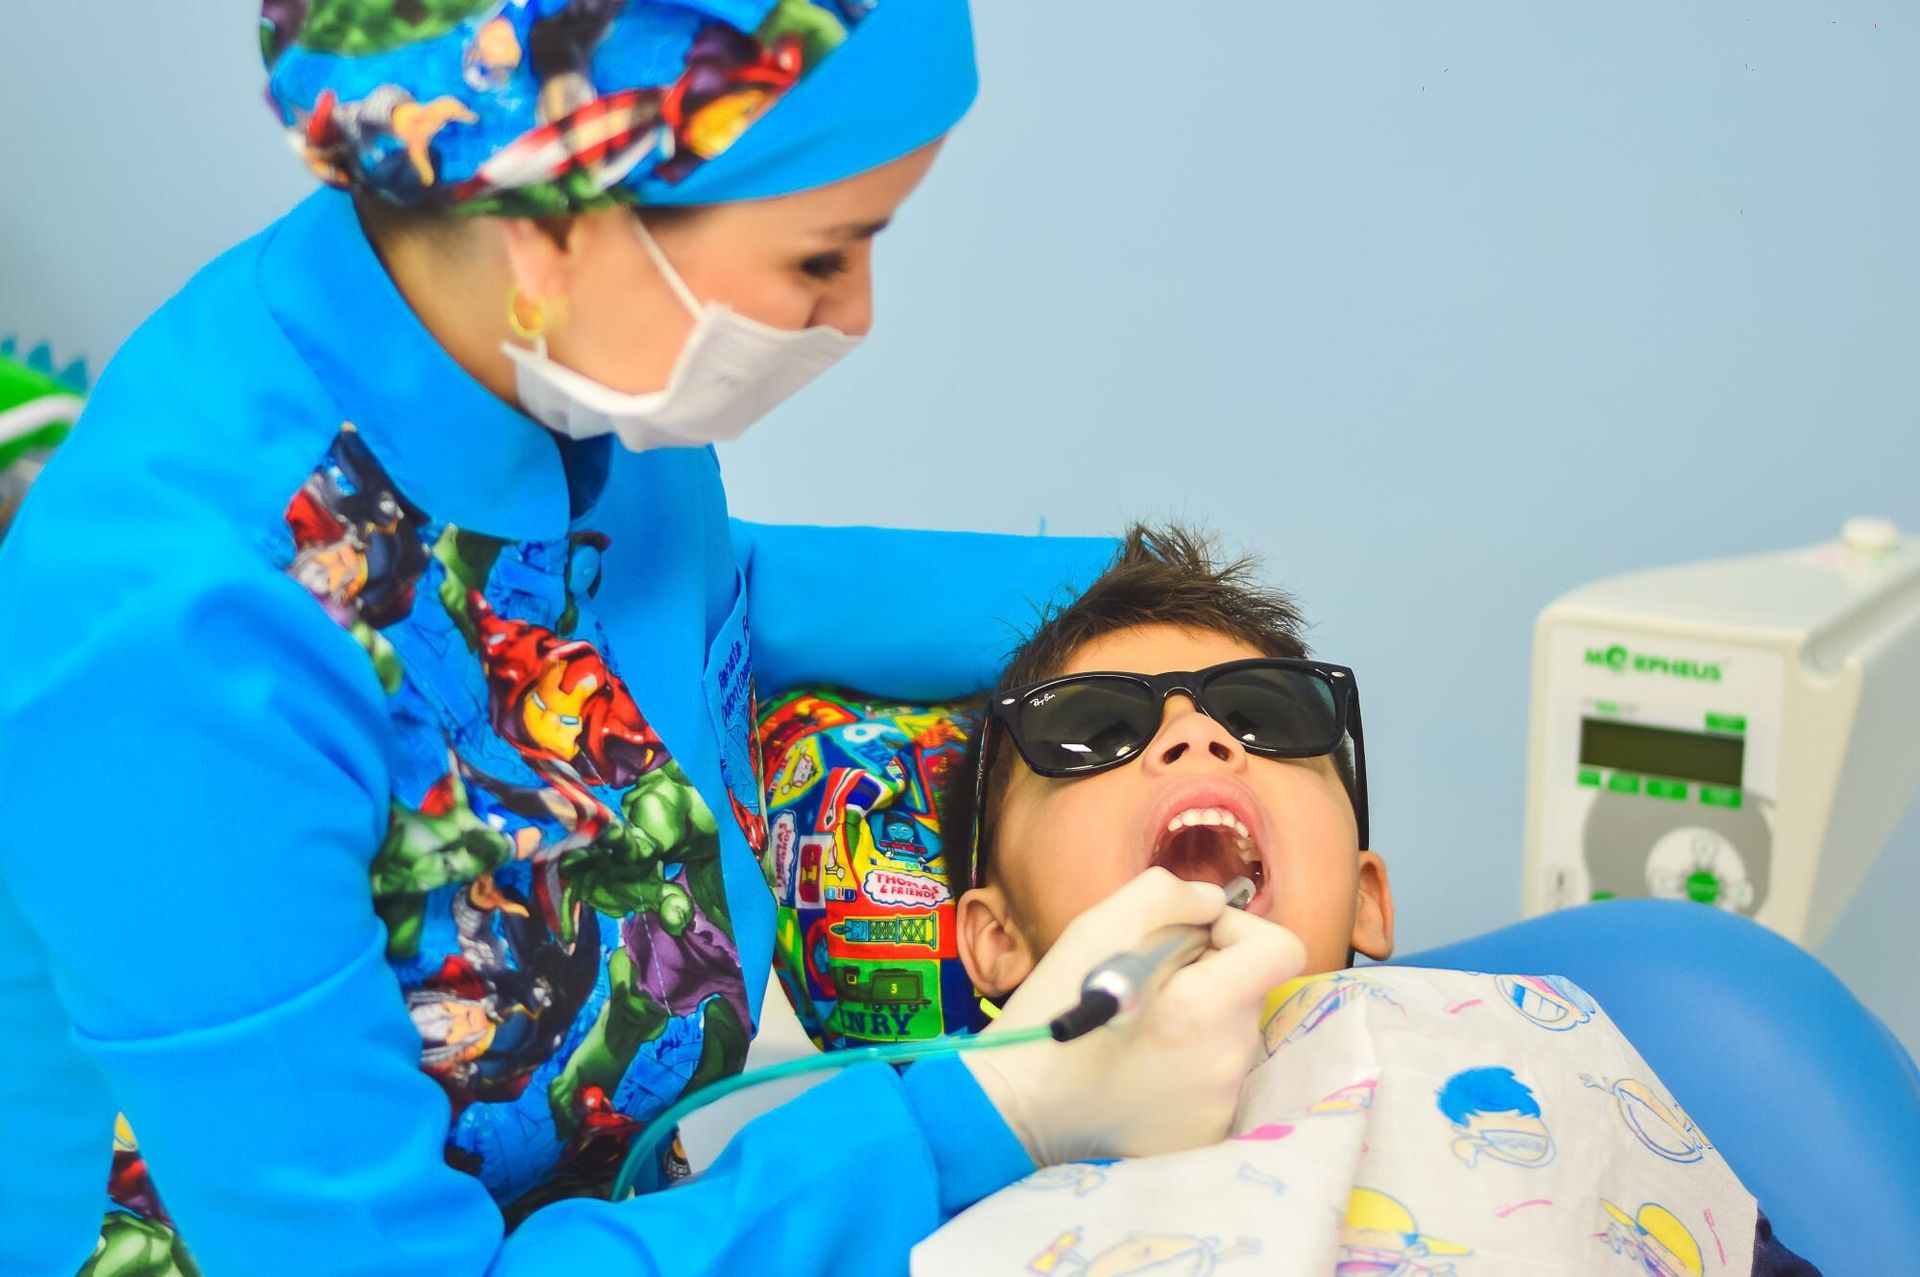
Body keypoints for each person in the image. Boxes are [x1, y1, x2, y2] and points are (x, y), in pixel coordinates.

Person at [0, 8, 1301, 1275]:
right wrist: (995, 1115)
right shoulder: (181, 653)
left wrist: (1157, 613)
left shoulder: (538, 366)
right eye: (822, 258)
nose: (855, 315)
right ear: (555, 223)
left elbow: (654, 602)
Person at [939, 524, 1820, 1274]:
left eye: (1265, 720)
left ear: (1366, 898)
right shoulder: (933, 1189)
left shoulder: (1534, 1054)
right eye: (1093, 731)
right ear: (996, 938)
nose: (1197, 735)